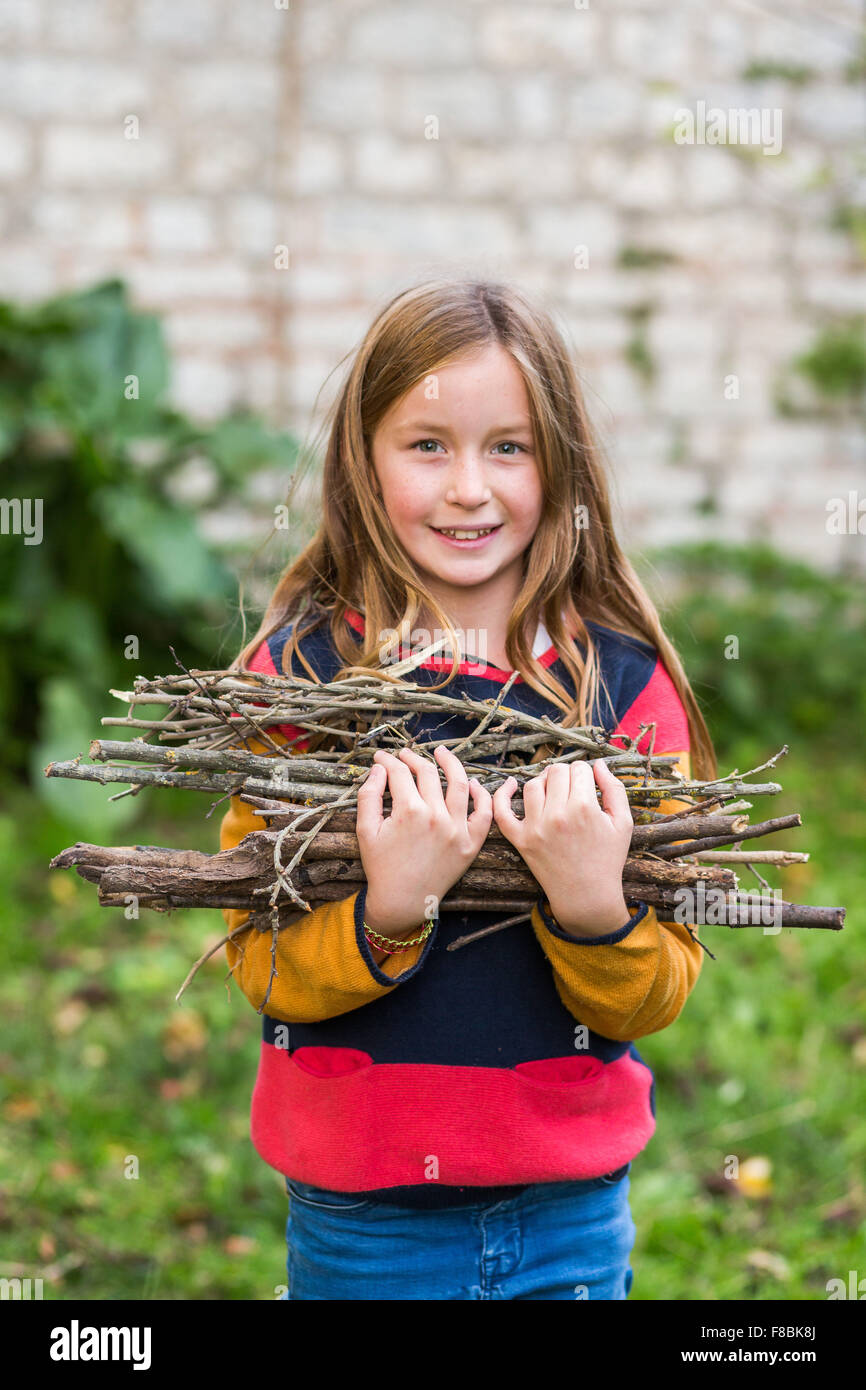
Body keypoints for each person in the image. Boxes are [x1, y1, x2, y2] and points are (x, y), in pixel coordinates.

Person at [217, 277, 717, 1300]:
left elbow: (661, 986)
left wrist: (592, 908)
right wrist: (387, 912)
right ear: (364, 460)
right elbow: (261, 961)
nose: (468, 489)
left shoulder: (618, 688)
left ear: (559, 464)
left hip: (567, 1218)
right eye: (427, 445)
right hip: (365, 1224)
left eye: (508, 447)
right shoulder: (302, 679)